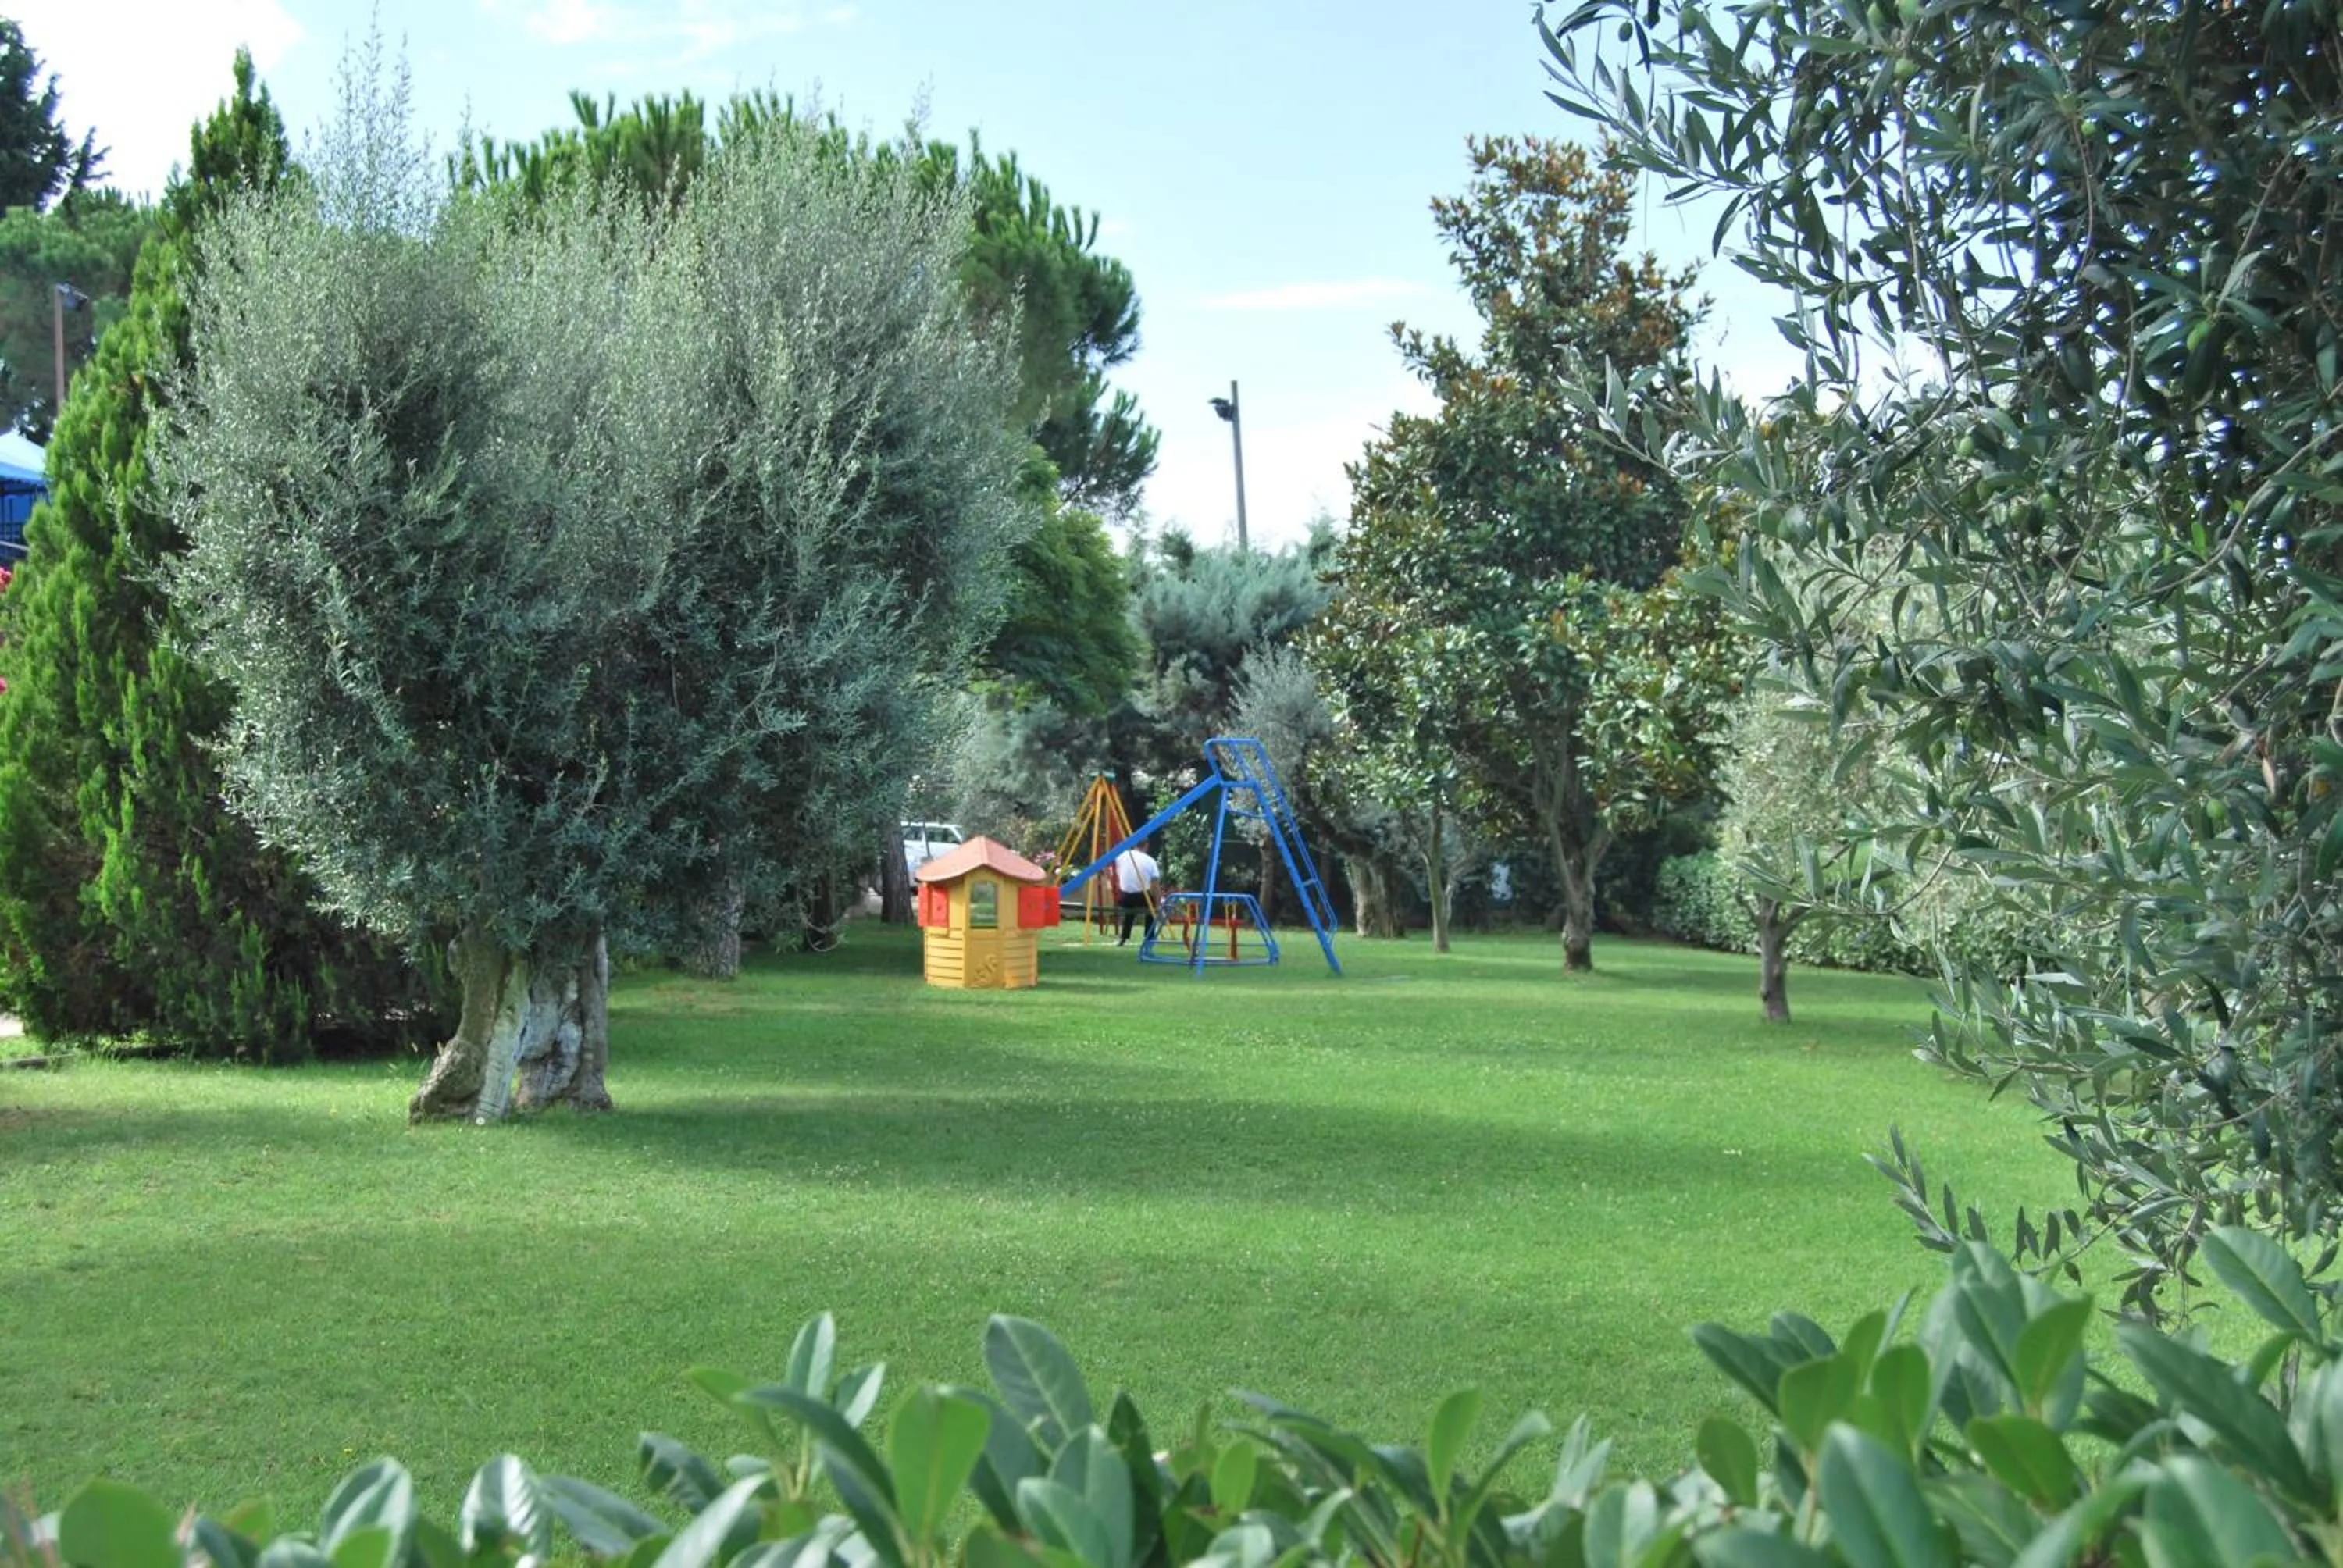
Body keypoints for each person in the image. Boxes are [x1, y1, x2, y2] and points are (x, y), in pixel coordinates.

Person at [1112, 839, 1162, 946]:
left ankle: (1123, 937)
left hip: (1125, 897)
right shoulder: (1150, 861)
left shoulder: (1122, 856)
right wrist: (1158, 904)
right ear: (1147, 846)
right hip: (1142, 896)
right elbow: (1155, 884)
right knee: (1152, 909)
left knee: (1129, 913)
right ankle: (1149, 938)